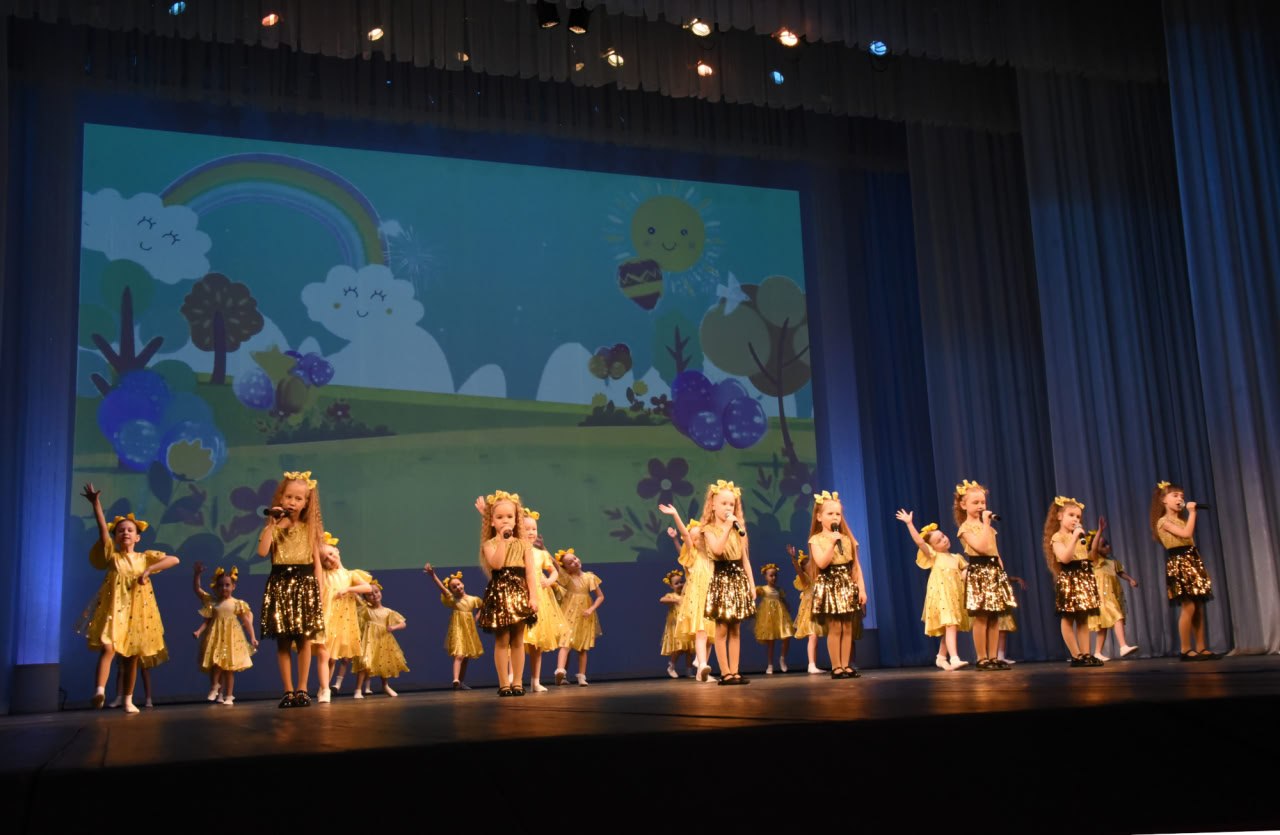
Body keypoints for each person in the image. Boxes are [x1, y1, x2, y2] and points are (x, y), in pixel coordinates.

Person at [80, 484, 179, 712]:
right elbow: (102, 531)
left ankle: (127, 699)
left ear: (137, 537)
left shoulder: (144, 558)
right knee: (108, 648)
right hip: (114, 610)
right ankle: (100, 691)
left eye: (130, 530)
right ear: (116, 537)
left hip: (137, 613)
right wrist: (96, 504)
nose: (125, 532)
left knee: (132, 657)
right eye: (121, 530)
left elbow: (174, 560)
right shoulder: (113, 557)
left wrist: (148, 571)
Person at [257, 471, 326, 708]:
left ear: (306, 502)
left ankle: (302, 688)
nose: (292, 502)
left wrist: (319, 592)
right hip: (281, 584)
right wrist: (272, 524)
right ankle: (287, 690)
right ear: (280, 498)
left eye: (298, 498)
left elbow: (317, 564)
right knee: (283, 641)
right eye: (288, 497)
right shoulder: (275, 527)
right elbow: (262, 552)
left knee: (304, 639)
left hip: (305, 585)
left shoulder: (309, 528)